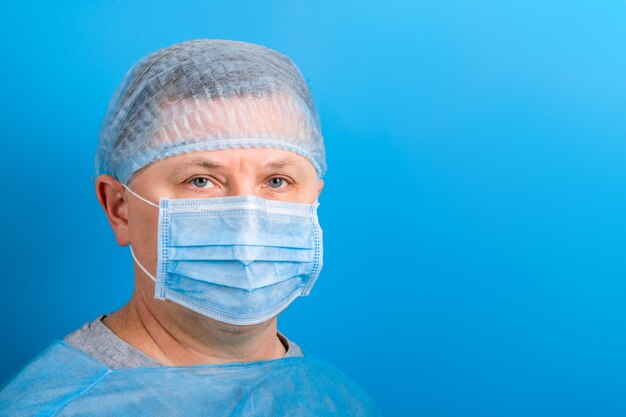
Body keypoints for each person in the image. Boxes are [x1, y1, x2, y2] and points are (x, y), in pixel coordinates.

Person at [0, 39, 381, 416]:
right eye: (201, 181)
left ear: (314, 199)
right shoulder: (52, 408)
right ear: (120, 209)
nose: (246, 222)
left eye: (277, 181)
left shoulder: (338, 400)